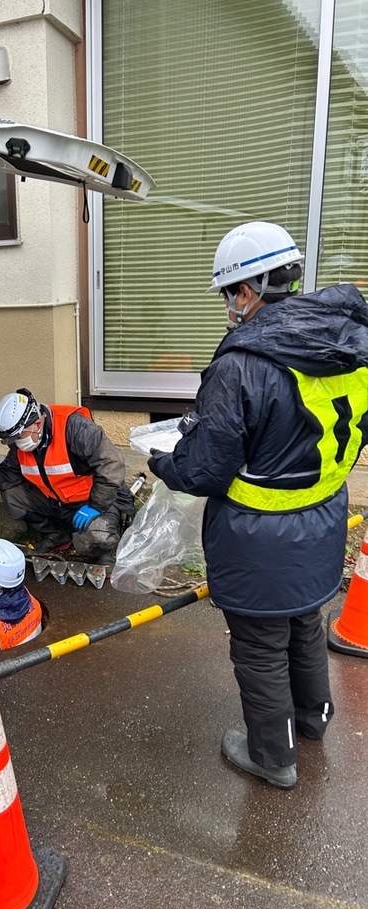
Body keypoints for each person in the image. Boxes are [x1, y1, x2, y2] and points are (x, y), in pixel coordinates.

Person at [147, 221, 368, 789]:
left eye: (228, 293)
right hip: (322, 523)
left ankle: (273, 756)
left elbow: (203, 469)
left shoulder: (241, 363)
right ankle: (314, 721)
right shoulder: (347, 344)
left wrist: (163, 462)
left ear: (246, 291)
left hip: (260, 540)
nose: (228, 305)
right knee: (305, 626)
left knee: (261, 648)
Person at [0, 388, 134, 564]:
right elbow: (6, 473)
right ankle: (56, 535)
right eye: (12, 439)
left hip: (92, 502)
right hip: (57, 502)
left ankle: (104, 552)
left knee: (99, 537)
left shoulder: (75, 428)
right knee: (11, 492)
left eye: (19, 436)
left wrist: (95, 506)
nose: (17, 443)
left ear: (37, 422)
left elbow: (112, 463)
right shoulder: (24, 441)